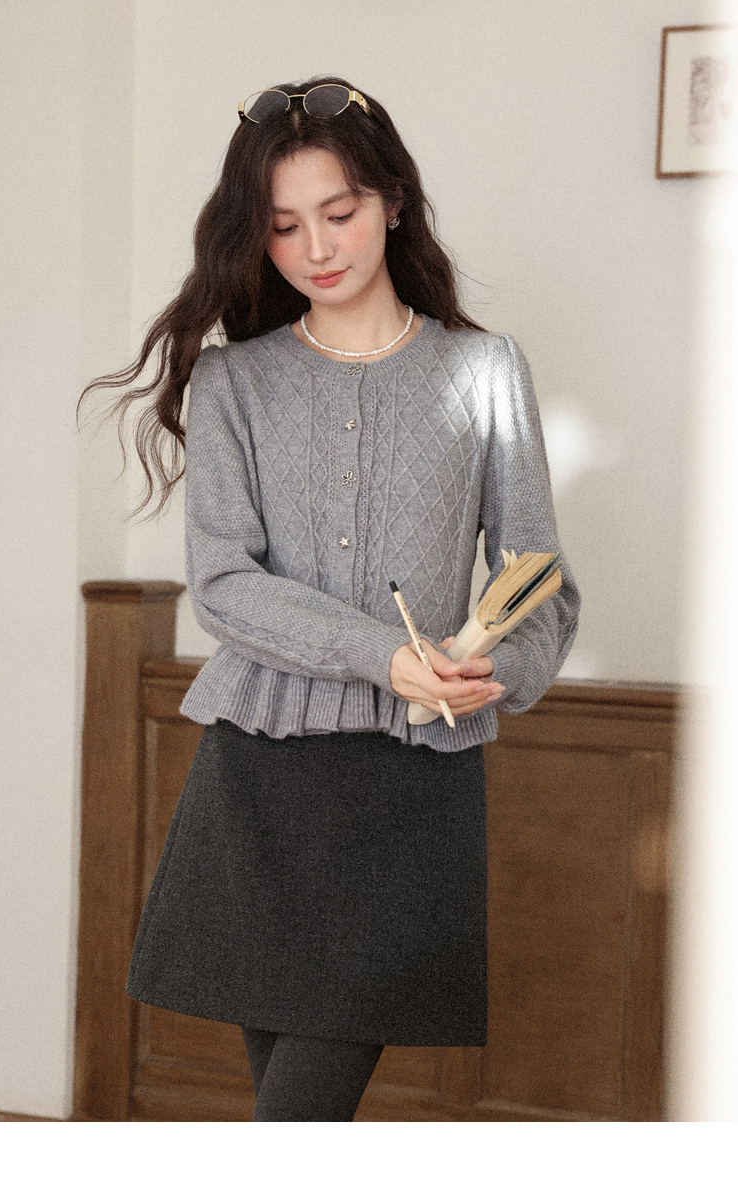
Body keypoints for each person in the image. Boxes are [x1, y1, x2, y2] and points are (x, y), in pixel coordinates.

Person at [82, 76, 580, 1121]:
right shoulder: (233, 383)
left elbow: (540, 581)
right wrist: (383, 656)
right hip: (256, 782)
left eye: (340, 211)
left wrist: (496, 666)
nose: (316, 247)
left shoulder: (486, 370)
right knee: (295, 1123)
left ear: (393, 201)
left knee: (297, 1120)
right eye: (282, 226)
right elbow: (224, 583)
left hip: (410, 783)